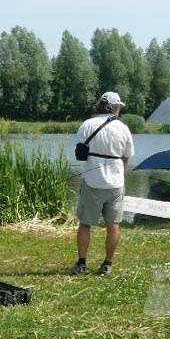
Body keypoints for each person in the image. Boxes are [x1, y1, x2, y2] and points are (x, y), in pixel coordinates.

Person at [71, 92, 134, 276]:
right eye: (119, 107)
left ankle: (82, 263)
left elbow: (80, 152)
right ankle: (107, 264)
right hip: (115, 182)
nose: (120, 109)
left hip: (92, 181)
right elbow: (126, 157)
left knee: (85, 224)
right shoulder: (123, 128)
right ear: (114, 107)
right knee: (113, 224)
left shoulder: (87, 124)